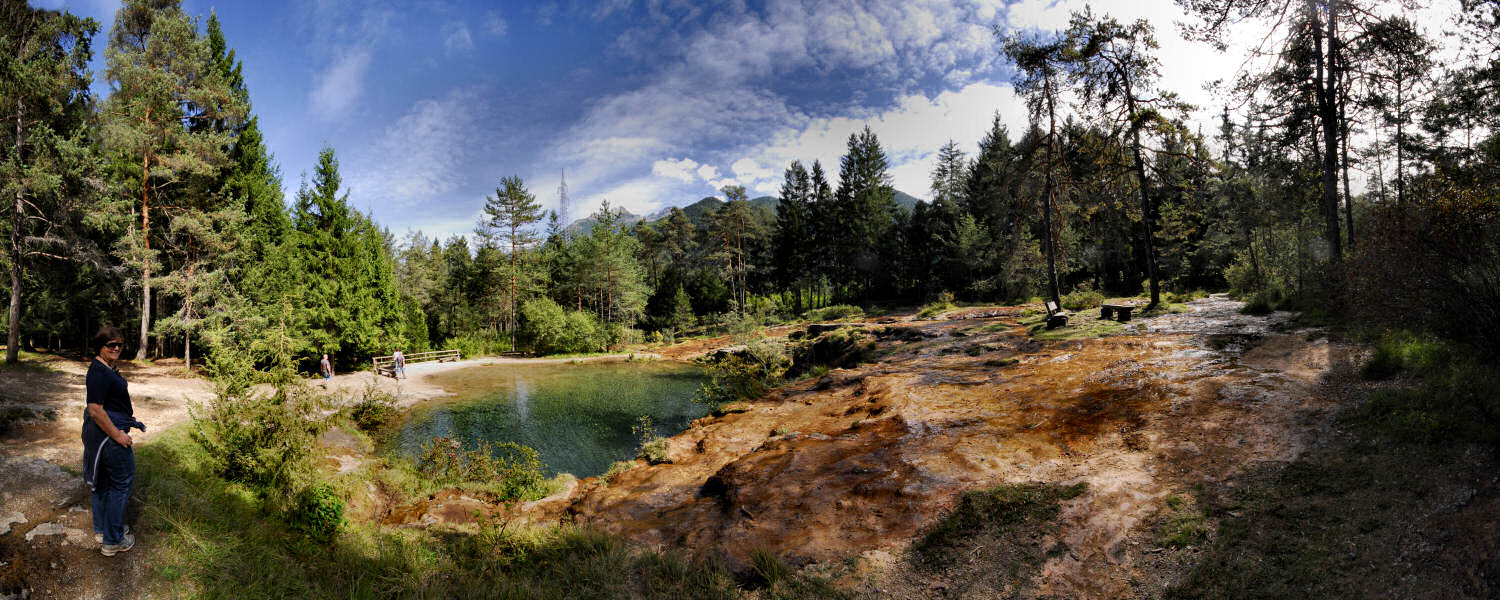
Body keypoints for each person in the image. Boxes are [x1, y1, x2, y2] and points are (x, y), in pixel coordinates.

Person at [82, 326, 144, 557]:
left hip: (101, 437)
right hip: (108, 437)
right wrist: (118, 435)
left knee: (104, 483)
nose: (116, 348)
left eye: (119, 344)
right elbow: (95, 409)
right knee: (121, 483)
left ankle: (102, 530)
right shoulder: (99, 371)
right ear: (100, 347)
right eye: (111, 345)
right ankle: (114, 540)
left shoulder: (105, 368)